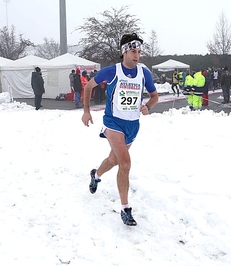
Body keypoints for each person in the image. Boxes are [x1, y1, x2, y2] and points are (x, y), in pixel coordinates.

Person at [81, 33, 158, 226]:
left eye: (139, 52)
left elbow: (154, 96)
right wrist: (86, 111)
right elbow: (88, 87)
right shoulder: (112, 71)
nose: (137, 55)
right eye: (133, 51)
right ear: (124, 52)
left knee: (114, 160)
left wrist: (148, 107)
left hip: (132, 124)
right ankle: (125, 209)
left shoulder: (144, 73)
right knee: (125, 164)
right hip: (113, 123)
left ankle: (96, 175)